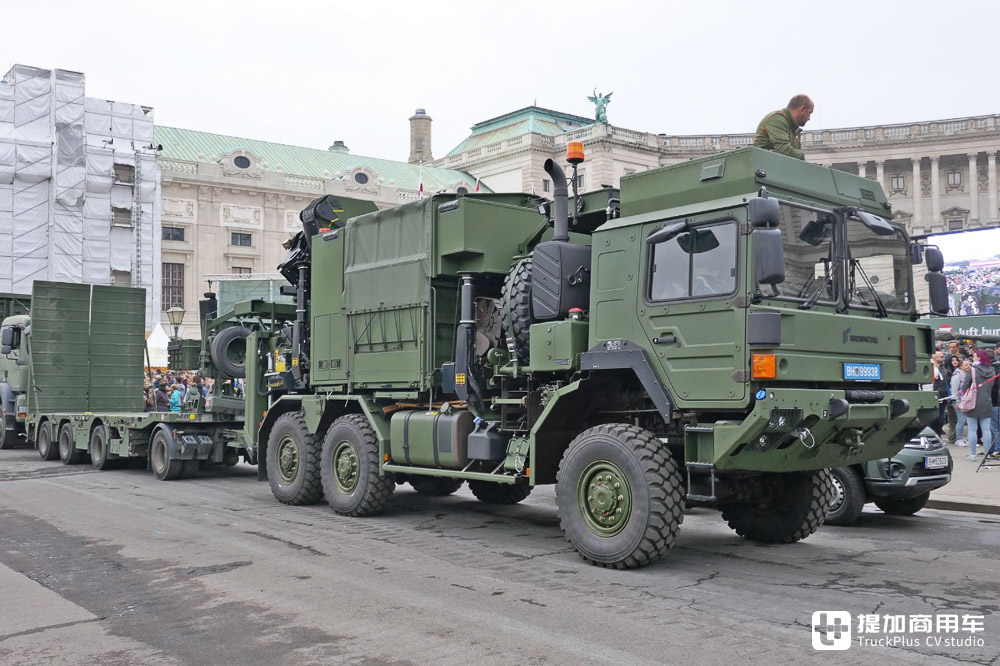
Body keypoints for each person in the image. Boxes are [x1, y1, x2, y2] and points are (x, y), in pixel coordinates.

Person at [753, 95, 814, 160]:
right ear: (802, 109)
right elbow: (785, 152)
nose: (809, 118)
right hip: (762, 164)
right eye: (810, 112)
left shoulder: (794, 129)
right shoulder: (777, 119)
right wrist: (801, 154)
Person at [961, 351, 996, 461]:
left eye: (975, 356)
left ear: (979, 358)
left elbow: (965, 387)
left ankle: (973, 455)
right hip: (987, 401)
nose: (973, 358)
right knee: (986, 430)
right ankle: (987, 454)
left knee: (972, 429)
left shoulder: (973, 370)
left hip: (973, 402)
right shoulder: (992, 370)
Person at [952, 359, 971, 447]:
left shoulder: (969, 374)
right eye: (966, 365)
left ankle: (969, 440)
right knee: (961, 420)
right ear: (961, 366)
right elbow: (954, 390)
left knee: (969, 420)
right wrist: (957, 401)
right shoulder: (957, 375)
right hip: (959, 400)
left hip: (967, 400)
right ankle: (958, 439)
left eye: (969, 365)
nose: (968, 366)